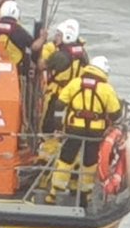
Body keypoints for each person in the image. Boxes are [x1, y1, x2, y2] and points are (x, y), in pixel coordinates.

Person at [45, 56, 123, 204]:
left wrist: (58, 126)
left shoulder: (75, 83)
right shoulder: (107, 89)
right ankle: (84, 194)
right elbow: (115, 114)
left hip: (73, 128)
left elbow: (59, 105)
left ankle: (54, 192)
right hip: (95, 133)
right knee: (89, 162)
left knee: (66, 158)